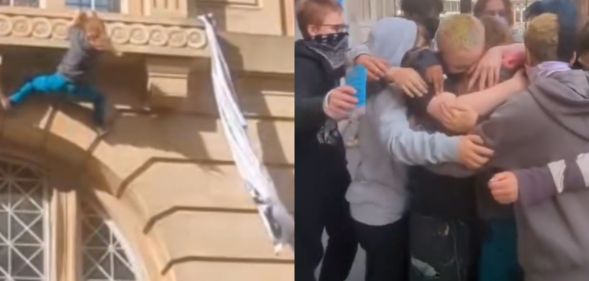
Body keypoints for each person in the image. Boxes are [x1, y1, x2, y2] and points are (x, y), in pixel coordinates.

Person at [345, 17, 495, 281]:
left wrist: (382, 66)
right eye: (415, 46)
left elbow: (354, 56)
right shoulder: (385, 94)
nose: (422, 53)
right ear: (399, 48)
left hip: (371, 203)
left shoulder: (366, 81)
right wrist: (454, 148)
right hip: (384, 212)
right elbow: (399, 143)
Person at [294, 1, 357, 280]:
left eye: (344, 27)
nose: (343, 34)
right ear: (313, 30)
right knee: (305, 250)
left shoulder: (332, 60)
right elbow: (295, 108)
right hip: (308, 174)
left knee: (347, 234)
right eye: (336, 28)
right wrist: (324, 103)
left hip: (333, 166)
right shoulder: (302, 63)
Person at [1, 11, 119, 135]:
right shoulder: (99, 50)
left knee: (33, 82)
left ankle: (13, 101)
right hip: (77, 89)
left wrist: (79, 17)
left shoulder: (78, 39)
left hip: (58, 82)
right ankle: (99, 125)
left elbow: (71, 26)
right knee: (99, 97)